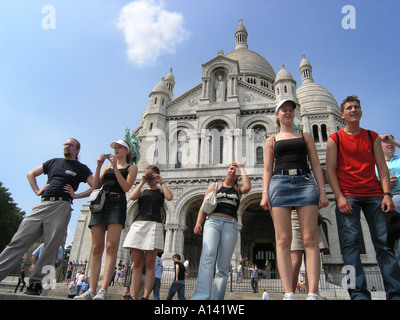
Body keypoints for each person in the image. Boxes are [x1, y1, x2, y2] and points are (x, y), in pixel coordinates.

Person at [326, 95, 400, 300]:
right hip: (348, 195)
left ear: (360, 111)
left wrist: (386, 194)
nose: (353, 110)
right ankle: (357, 295)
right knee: (350, 249)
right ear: (342, 114)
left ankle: (395, 293)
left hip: (375, 195)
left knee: (385, 246)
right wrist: (339, 197)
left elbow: (382, 167)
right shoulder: (335, 138)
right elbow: (330, 171)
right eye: (349, 108)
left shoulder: (372, 136)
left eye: (356, 107)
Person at [0, 138, 93, 296]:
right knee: (18, 240)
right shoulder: (53, 162)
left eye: (70, 145)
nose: (66, 146)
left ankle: (36, 284)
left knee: (51, 246)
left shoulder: (81, 168)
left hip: (61, 205)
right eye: (65, 144)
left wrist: (76, 195)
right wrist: (37, 190)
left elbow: (95, 185)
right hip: (42, 204)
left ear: (77, 150)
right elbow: (31, 174)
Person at [260, 99, 329, 300]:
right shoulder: (270, 140)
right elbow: (267, 168)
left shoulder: (306, 136)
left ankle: (312, 293)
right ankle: (289, 292)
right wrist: (264, 193)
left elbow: (316, 164)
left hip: (305, 183)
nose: (288, 113)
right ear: (277, 115)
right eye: (284, 110)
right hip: (279, 184)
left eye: (291, 110)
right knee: (283, 240)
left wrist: (322, 190)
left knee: (309, 239)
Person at [75, 139, 137, 300]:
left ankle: (103, 290)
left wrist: (116, 168)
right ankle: (91, 290)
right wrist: (98, 166)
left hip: (117, 203)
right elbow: (95, 186)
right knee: (96, 248)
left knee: (111, 247)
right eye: (115, 148)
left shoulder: (132, 168)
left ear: (127, 151)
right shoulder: (106, 167)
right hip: (100, 204)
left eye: (120, 147)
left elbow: (125, 187)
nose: (116, 150)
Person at [192, 162, 251, 300]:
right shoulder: (215, 186)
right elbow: (204, 206)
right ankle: (201, 297)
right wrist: (198, 223)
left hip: (230, 224)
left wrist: (241, 168)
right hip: (213, 221)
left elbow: (248, 187)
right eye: (231, 168)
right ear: (226, 170)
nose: (232, 171)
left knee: (223, 265)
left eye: (235, 170)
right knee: (208, 255)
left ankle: (217, 298)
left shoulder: (238, 189)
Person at [123, 165, 173, 300]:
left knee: (150, 264)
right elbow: (132, 197)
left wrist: (161, 182)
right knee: (137, 263)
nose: (149, 177)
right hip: (139, 224)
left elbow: (169, 197)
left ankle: (145, 296)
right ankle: (133, 296)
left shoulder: (161, 192)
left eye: (151, 175)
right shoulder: (143, 189)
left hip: (154, 225)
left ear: (156, 176)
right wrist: (142, 181)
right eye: (147, 174)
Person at [290, 210, 329, 294]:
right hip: (291, 213)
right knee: (295, 261)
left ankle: (312, 294)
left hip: (310, 212)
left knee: (310, 256)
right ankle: (290, 294)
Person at [380, 134, 400, 209]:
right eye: (386, 141)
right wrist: (385, 186)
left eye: (391, 142)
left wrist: (393, 141)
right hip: (388, 202)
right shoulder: (375, 166)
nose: (389, 144)